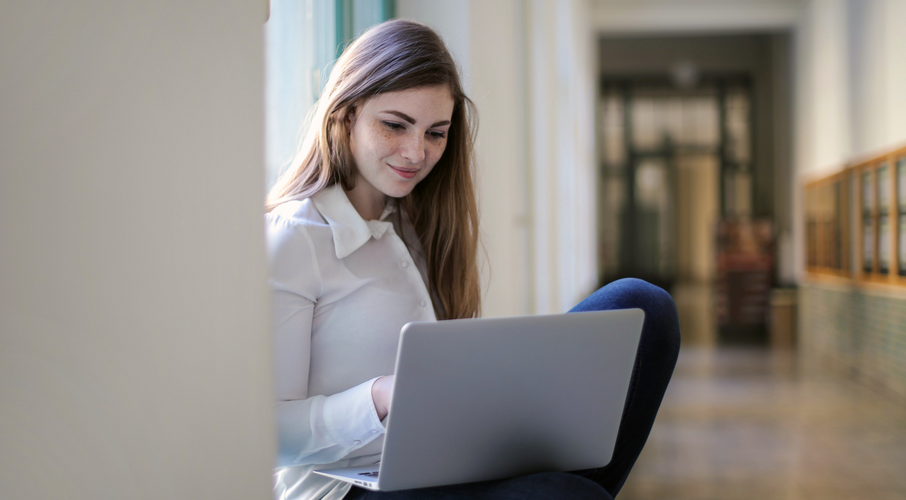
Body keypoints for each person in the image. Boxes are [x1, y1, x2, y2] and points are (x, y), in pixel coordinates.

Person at [265, 19, 680, 500]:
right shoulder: (295, 238)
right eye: (395, 125)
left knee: (644, 304)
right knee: (564, 495)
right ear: (346, 115)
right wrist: (379, 397)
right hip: (343, 488)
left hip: (441, 461)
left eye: (436, 133)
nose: (416, 152)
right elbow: (269, 432)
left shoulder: (417, 228)